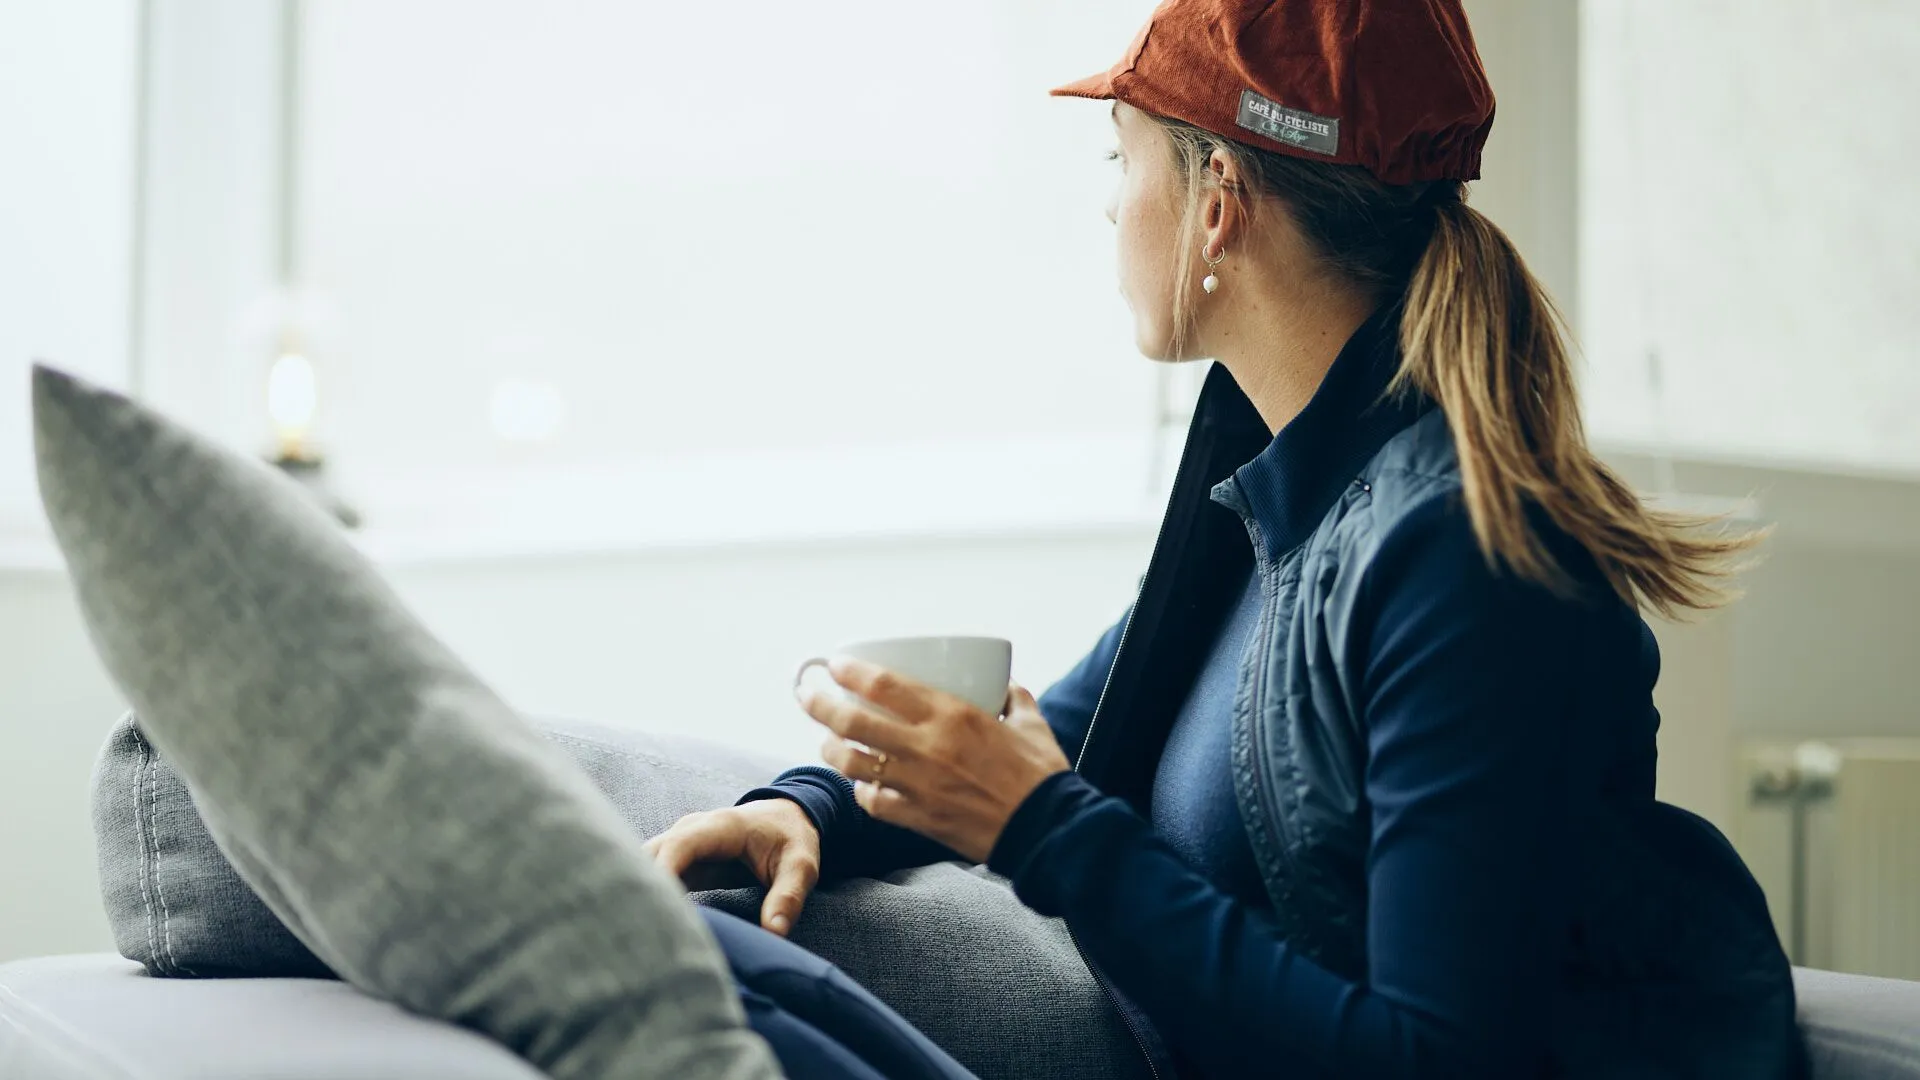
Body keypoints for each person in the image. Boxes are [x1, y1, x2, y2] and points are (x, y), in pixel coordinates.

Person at [644, 0, 1809, 1077]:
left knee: (672, 975)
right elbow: (1051, 729)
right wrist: (805, 809)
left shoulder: (1464, 560)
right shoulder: (1276, 487)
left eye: (1121, 157)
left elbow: (1442, 1061)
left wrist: (1048, 831)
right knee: (683, 939)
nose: (1110, 205)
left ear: (1217, 202)